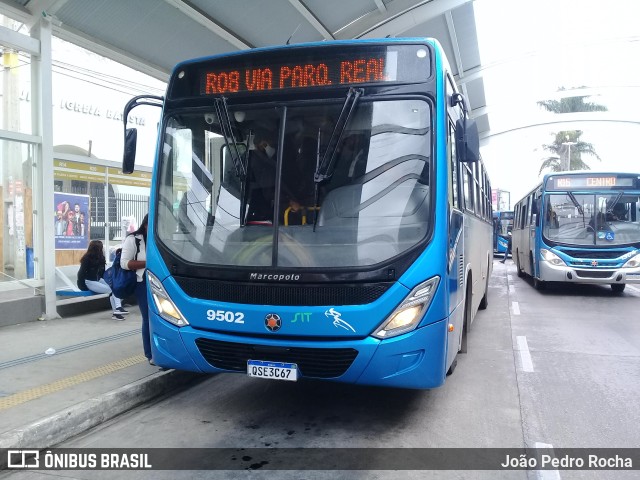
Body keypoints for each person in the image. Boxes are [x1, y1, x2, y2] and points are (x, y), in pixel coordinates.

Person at [120, 214, 153, 365]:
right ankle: (150, 354)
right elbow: (124, 263)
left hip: (161, 282)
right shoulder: (133, 239)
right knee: (148, 318)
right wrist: (148, 263)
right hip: (142, 283)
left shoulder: (160, 238)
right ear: (146, 224)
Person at [77, 240, 128, 320]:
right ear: (96, 249)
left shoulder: (101, 258)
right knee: (111, 290)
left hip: (98, 280)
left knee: (115, 288)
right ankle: (117, 310)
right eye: (101, 248)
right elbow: (81, 273)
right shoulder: (87, 259)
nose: (103, 249)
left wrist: (109, 281)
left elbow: (103, 273)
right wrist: (82, 286)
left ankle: (117, 312)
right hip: (89, 282)